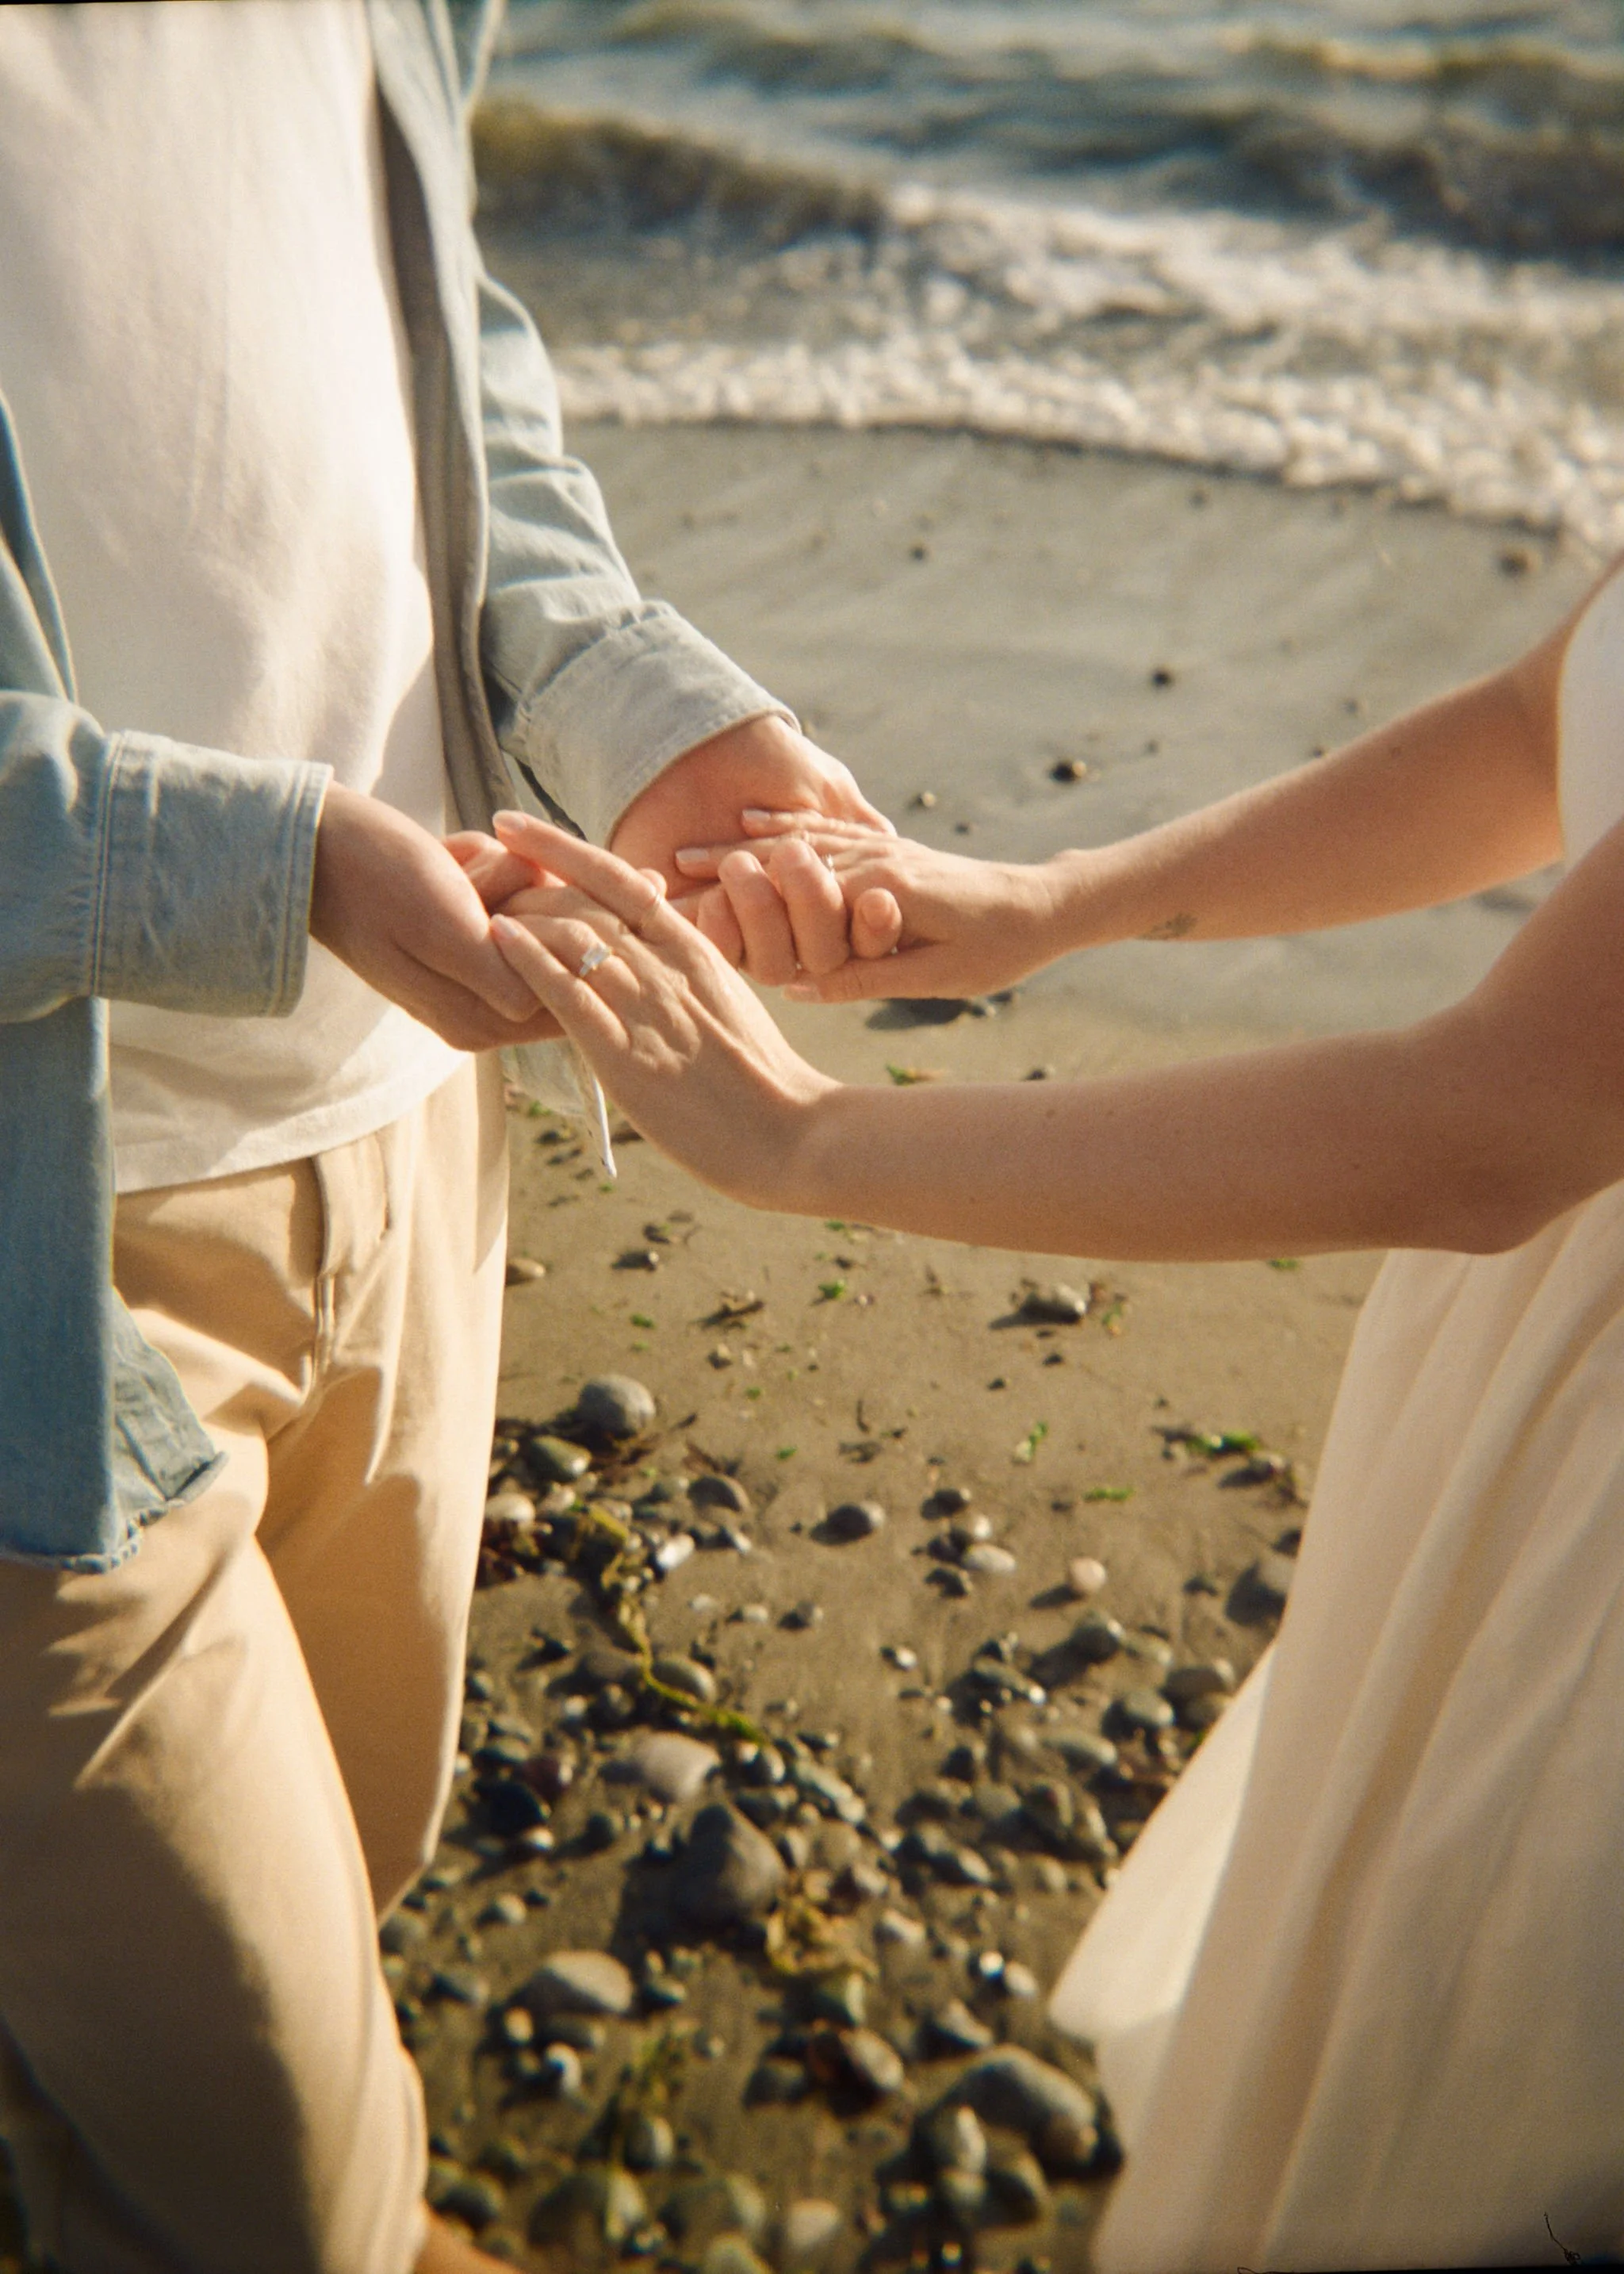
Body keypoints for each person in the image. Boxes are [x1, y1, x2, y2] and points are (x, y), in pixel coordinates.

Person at [0, 5, 889, 2269]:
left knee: (339, 1896)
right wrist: (283, 861)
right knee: (285, 2178)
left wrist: (650, 721)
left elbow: (436, 346)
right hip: (45, 1261)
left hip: (412, 1135)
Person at [487, 545, 1624, 2272]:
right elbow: (1546, 721)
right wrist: (1051, 900)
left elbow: (1481, 1124)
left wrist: (807, 1136)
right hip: (1521, 1383)